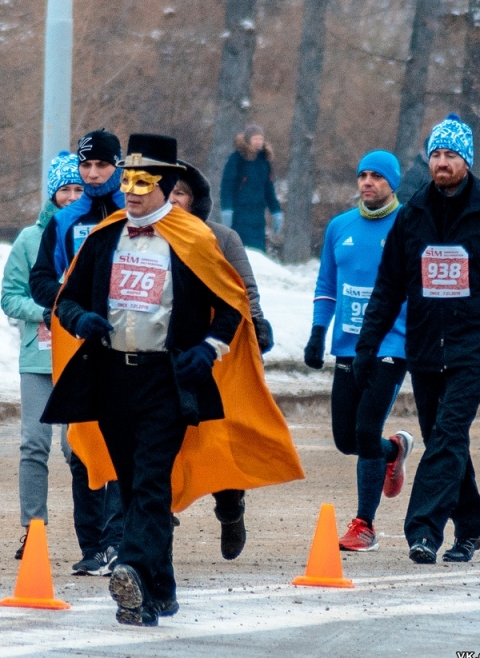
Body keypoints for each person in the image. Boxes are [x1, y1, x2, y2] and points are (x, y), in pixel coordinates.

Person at [43, 134, 303, 627]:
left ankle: (134, 573)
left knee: (151, 481)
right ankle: (161, 589)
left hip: (169, 382)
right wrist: (82, 322)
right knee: (133, 479)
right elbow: (67, 300)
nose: (133, 191)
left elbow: (231, 307)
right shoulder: (104, 238)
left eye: (144, 182)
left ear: (166, 186)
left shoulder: (196, 241)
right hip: (113, 381)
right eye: (128, 181)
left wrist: (209, 348)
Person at [355, 114, 480, 564]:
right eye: (436, 154)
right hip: (423, 350)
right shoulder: (413, 215)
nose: (442, 163)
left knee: (447, 436)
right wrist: (368, 345)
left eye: (451, 155)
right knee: (445, 440)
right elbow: (387, 289)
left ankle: (423, 531)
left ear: (467, 161)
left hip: (471, 351)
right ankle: (474, 527)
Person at [303, 150, 414, 552]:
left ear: (393, 183)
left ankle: (364, 526)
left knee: (366, 429)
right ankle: (394, 449)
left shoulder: (407, 224)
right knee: (346, 439)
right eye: (363, 175)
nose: (368, 183)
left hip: (390, 343)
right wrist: (318, 333)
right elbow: (327, 286)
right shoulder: (339, 227)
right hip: (348, 346)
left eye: (377, 177)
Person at [28, 129, 125, 576]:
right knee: (81, 446)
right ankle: (92, 546)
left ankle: (121, 538)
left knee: (125, 443)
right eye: (85, 166)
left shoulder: (134, 213)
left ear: (117, 166)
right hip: (79, 344)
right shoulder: (65, 220)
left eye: (100, 165)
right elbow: (41, 280)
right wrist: (68, 308)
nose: (91, 173)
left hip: (130, 345)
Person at [169, 160, 274, 559]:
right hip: (164, 351)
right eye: (170, 191)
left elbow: (243, 289)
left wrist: (258, 324)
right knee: (160, 437)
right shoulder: (146, 237)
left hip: (218, 351)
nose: (174, 199)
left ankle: (230, 508)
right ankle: (157, 515)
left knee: (216, 440)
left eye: (182, 193)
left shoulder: (221, 237)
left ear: (195, 201)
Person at [0, 151, 83, 561]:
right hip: (39, 359)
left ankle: (98, 533)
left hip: (81, 358)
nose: (71, 196)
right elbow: (10, 298)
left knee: (78, 447)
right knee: (34, 444)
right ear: (52, 194)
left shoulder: (93, 233)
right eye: (64, 190)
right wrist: (46, 312)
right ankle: (33, 529)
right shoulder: (30, 240)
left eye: (77, 189)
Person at [219, 124, 282, 251]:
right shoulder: (237, 159)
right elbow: (227, 186)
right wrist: (227, 209)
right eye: (255, 139)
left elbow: (268, 189)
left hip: (258, 214)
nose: (258, 142)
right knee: (240, 249)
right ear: (248, 140)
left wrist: (276, 211)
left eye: (260, 139)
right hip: (239, 213)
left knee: (258, 250)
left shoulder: (264, 161)